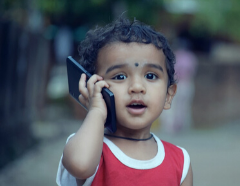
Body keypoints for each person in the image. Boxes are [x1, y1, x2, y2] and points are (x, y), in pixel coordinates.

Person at [56, 17, 193, 186]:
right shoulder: (89, 148)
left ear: (169, 95)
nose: (137, 87)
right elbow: (80, 166)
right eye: (120, 76)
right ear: (95, 87)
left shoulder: (180, 162)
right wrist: (96, 111)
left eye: (150, 76)